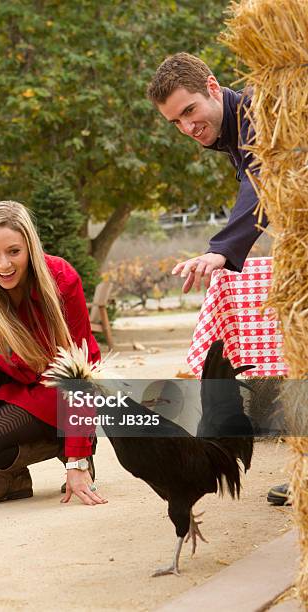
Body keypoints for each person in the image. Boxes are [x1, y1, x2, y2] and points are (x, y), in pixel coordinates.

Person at [147, 52, 288, 506]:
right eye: (175, 122)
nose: (187, 127)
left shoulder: (256, 111)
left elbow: (262, 178)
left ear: (212, 86)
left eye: (189, 111)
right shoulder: (229, 133)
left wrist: (221, 250)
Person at [0, 200, 107, 508]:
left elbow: (82, 369)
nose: (4, 265)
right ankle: (15, 477)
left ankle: (68, 446)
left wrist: (77, 458)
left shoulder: (61, 278)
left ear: (30, 246)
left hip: (61, 389)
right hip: (24, 375)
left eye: (14, 251)